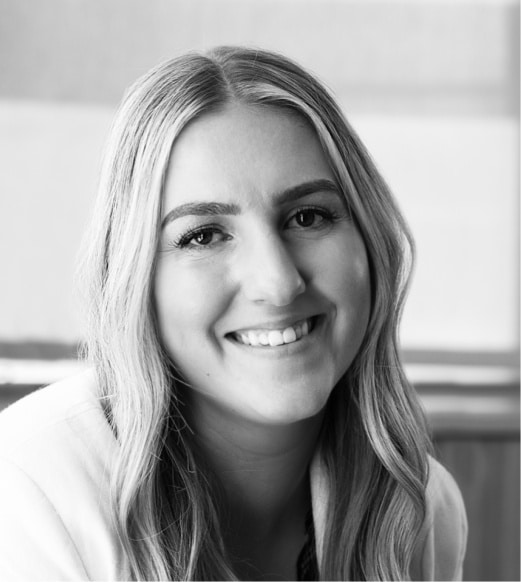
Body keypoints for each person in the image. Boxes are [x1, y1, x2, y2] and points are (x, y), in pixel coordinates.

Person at [0, 46, 467, 581]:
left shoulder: (419, 505)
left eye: (308, 216)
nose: (279, 282)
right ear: (134, 280)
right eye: (203, 235)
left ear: (369, 239)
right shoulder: (26, 496)